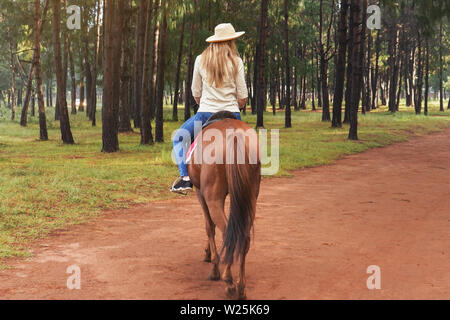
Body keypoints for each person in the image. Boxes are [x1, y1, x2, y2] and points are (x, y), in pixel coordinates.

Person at [171, 23, 248, 193]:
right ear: (231, 42)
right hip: (232, 114)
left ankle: (185, 178)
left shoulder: (201, 59)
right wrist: (238, 105)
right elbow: (242, 95)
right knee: (247, 147)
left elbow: (195, 91)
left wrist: (205, 103)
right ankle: (251, 174)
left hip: (205, 114)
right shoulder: (236, 61)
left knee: (178, 138)